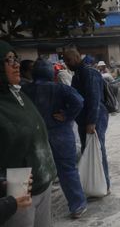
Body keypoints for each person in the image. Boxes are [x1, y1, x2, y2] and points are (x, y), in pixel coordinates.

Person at [0, 40, 57, 227]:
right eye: (8, 60)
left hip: (43, 183)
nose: (16, 64)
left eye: (16, 58)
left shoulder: (18, 94)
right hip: (17, 194)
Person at [22, 58, 87, 219]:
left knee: (34, 173)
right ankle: (77, 205)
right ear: (51, 72)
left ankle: (28, 209)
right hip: (60, 134)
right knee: (67, 170)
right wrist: (66, 116)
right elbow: (79, 101)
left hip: (35, 136)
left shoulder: (25, 90)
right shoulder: (60, 88)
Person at [63, 48, 111, 194]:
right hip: (85, 118)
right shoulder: (78, 73)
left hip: (94, 118)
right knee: (88, 149)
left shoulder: (89, 73)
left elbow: (94, 99)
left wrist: (91, 122)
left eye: (69, 60)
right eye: (65, 61)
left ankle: (104, 185)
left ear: (77, 57)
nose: (67, 64)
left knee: (97, 149)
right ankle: (94, 184)